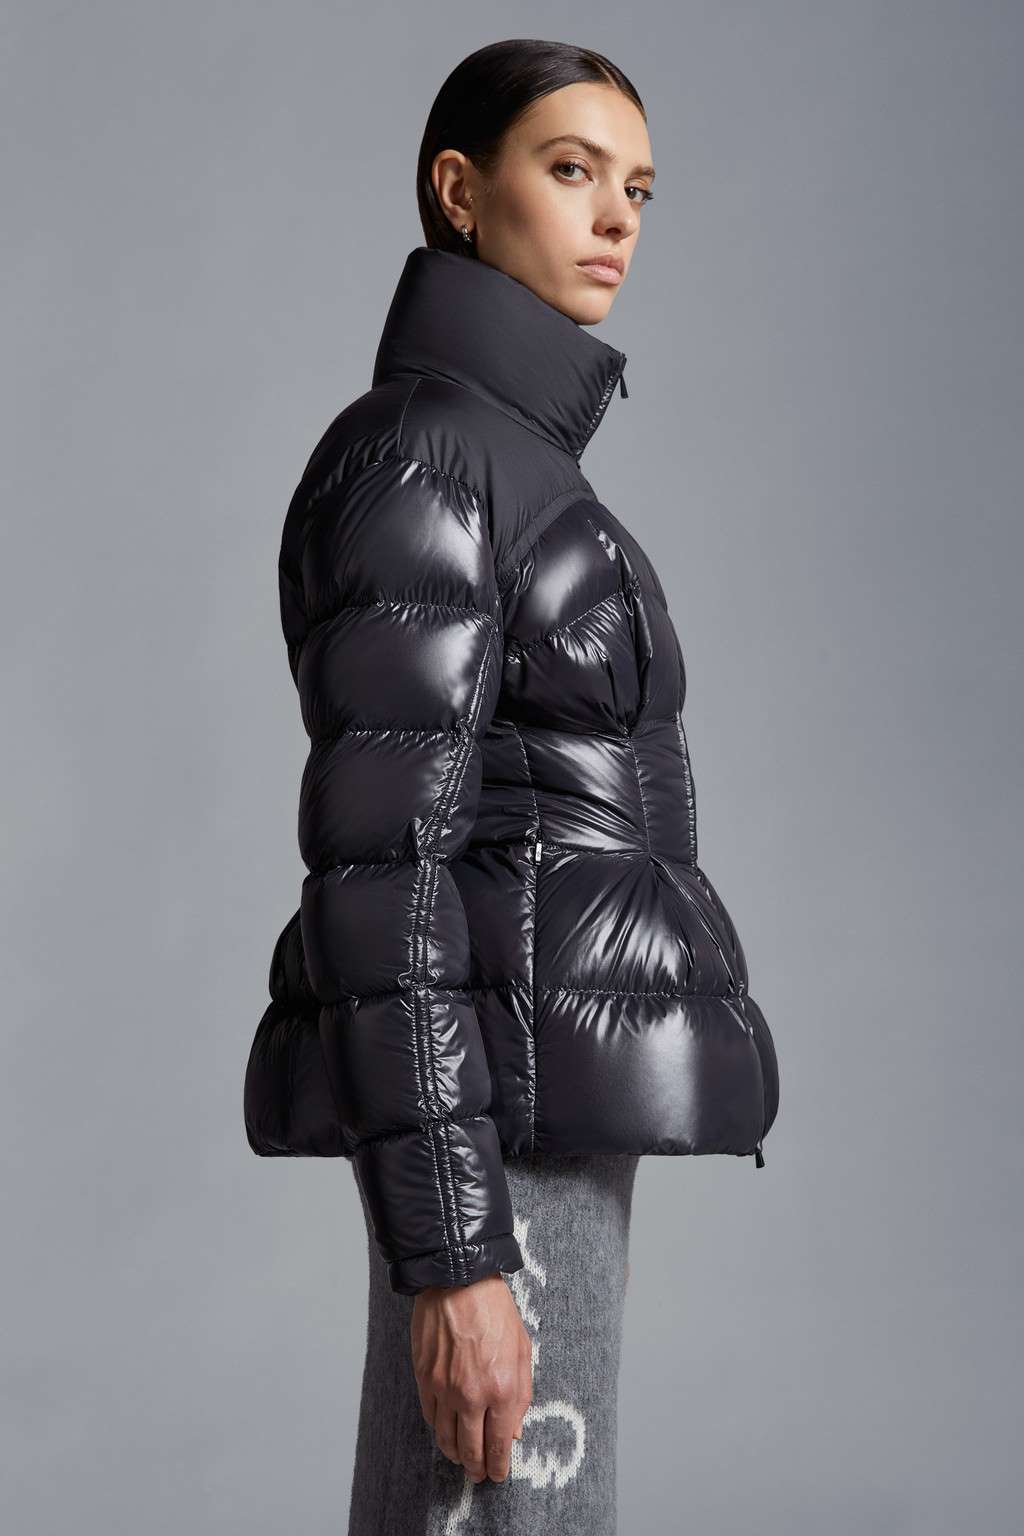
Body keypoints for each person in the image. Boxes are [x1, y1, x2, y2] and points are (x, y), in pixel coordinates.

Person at [244, 36, 781, 1535]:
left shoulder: (510, 466)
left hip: (539, 1110)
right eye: (571, 169)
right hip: (498, 1129)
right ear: (460, 192)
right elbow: (381, 877)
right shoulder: (430, 465)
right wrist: (457, 1258)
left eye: (638, 189)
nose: (615, 217)